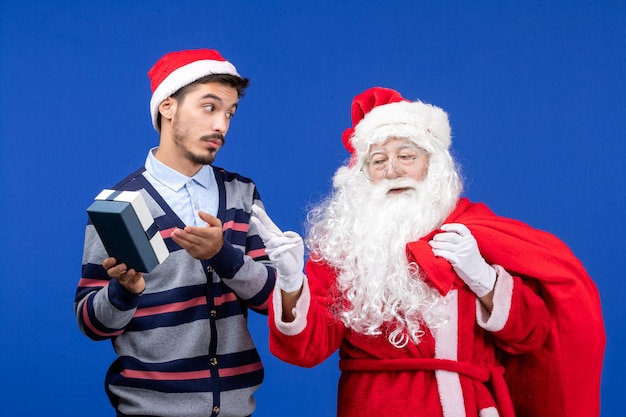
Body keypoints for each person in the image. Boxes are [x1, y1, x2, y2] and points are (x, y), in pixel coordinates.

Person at [251, 87, 605, 417]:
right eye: (377, 160)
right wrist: (291, 280)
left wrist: (485, 281)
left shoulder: (476, 233)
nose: (392, 169)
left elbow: (533, 334)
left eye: (406, 156)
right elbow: (306, 350)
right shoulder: (344, 245)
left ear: (433, 166)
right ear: (363, 175)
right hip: (372, 404)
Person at [74, 49, 276, 417]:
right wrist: (123, 292)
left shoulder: (241, 193)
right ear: (168, 107)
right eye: (210, 107)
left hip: (237, 409)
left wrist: (224, 257)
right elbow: (90, 322)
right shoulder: (120, 205)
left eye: (230, 113)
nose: (222, 126)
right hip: (148, 409)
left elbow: (273, 300)